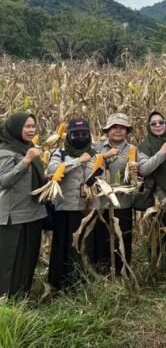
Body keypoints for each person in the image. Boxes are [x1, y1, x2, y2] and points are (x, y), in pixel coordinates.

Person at [0, 113, 47, 299]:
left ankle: (23, 298)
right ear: (15, 128)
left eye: (33, 126)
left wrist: (49, 180)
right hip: (14, 218)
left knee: (28, 261)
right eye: (27, 126)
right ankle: (7, 303)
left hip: (34, 214)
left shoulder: (30, 149)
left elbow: (32, 181)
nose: (31, 130)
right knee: (11, 262)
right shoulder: (6, 152)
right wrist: (25, 161)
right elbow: (3, 181)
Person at [46, 118, 94, 291]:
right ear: (69, 135)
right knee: (63, 247)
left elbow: (97, 176)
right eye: (75, 134)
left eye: (83, 134)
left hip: (85, 209)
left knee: (81, 247)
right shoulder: (60, 154)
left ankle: (80, 283)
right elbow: (52, 172)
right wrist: (78, 161)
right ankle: (59, 284)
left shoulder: (94, 153)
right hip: (64, 209)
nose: (80, 137)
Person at [91, 112, 142, 275]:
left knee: (123, 238)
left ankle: (122, 271)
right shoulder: (97, 147)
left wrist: (136, 172)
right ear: (107, 130)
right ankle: (103, 272)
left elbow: (139, 176)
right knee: (102, 238)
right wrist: (104, 157)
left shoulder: (132, 150)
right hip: (101, 202)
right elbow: (88, 168)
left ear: (127, 131)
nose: (118, 130)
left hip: (122, 202)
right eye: (114, 127)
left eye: (122, 128)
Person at [136, 111, 166, 270]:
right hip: (155, 198)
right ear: (148, 127)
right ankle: (155, 268)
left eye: (161, 122)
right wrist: (162, 152)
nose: (158, 126)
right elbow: (144, 169)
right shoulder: (144, 146)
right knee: (155, 234)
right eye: (153, 123)